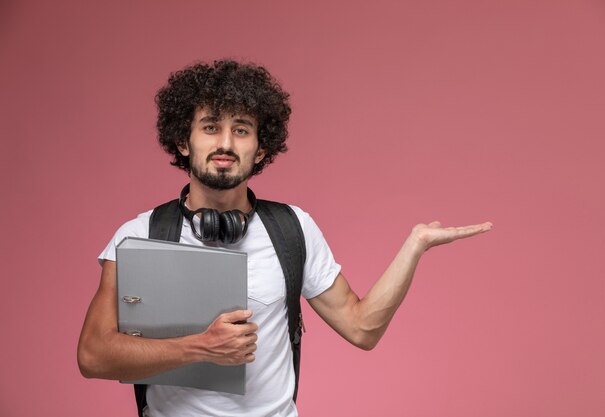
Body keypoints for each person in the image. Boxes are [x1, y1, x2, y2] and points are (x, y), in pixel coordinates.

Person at [77, 59, 492, 417]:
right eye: (210, 127)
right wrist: (201, 348)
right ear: (183, 142)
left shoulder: (293, 229)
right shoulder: (139, 236)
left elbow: (363, 329)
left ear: (261, 149)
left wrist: (414, 245)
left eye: (241, 130)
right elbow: (94, 355)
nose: (225, 143)